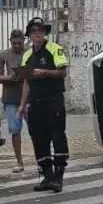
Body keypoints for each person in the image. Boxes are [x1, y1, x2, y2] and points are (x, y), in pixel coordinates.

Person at [18, 16, 69, 193]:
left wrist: (45, 72)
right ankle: (47, 176)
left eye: (40, 31)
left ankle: (58, 176)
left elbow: (63, 73)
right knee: (39, 138)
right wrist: (22, 105)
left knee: (57, 135)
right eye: (34, 31)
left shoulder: (55, 49)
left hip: (53, 100)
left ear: (45, 33)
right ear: (30, 35)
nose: (37, 34)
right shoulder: (27, 54)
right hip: (35, 102)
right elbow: (26, 82)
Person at [0, 29, 28, 173]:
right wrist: (9, 79)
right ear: (10, 42)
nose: (17, 46)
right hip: (11, 98)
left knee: (37, 129)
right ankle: (19, 162)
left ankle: (41, 159)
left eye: (20, 43)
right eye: (14, 43)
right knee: (15, 130)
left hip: (30, 97)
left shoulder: (30, 53)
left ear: (24, 41)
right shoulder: (3, 55)